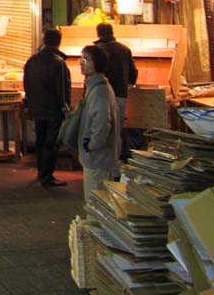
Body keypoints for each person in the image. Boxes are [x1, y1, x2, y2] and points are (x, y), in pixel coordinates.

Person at [23, 28, 71, 187]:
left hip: (37, 108)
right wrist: (65, 108)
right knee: (51, 142)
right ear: (59, 42)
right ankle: (47, 175)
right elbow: (63, 89)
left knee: (41, 140)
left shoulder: (31, 61)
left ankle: (41, 171)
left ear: (44, 40)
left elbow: (27, 85)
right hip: (53, 110)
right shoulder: (59, 63)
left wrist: (30, 104)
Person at [78, 44, 120, 202]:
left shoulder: (100, 90)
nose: (81, 62)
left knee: (96, 203)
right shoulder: (94, 86)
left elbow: (102, 123)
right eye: (80, 58)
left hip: (97, 158)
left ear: (97, 63)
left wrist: (92, 145)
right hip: (96, 157)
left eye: (85, 59)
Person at [94, 22, 138, 165]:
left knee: (100, 128)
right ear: (112, 32)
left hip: (99, 96)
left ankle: (102, 161)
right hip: (119, 95)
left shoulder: (96, 51)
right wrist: (128, 83)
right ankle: (116, 161)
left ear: (98, 34)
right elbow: (133, 74)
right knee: (117, 130)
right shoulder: (125, 50)